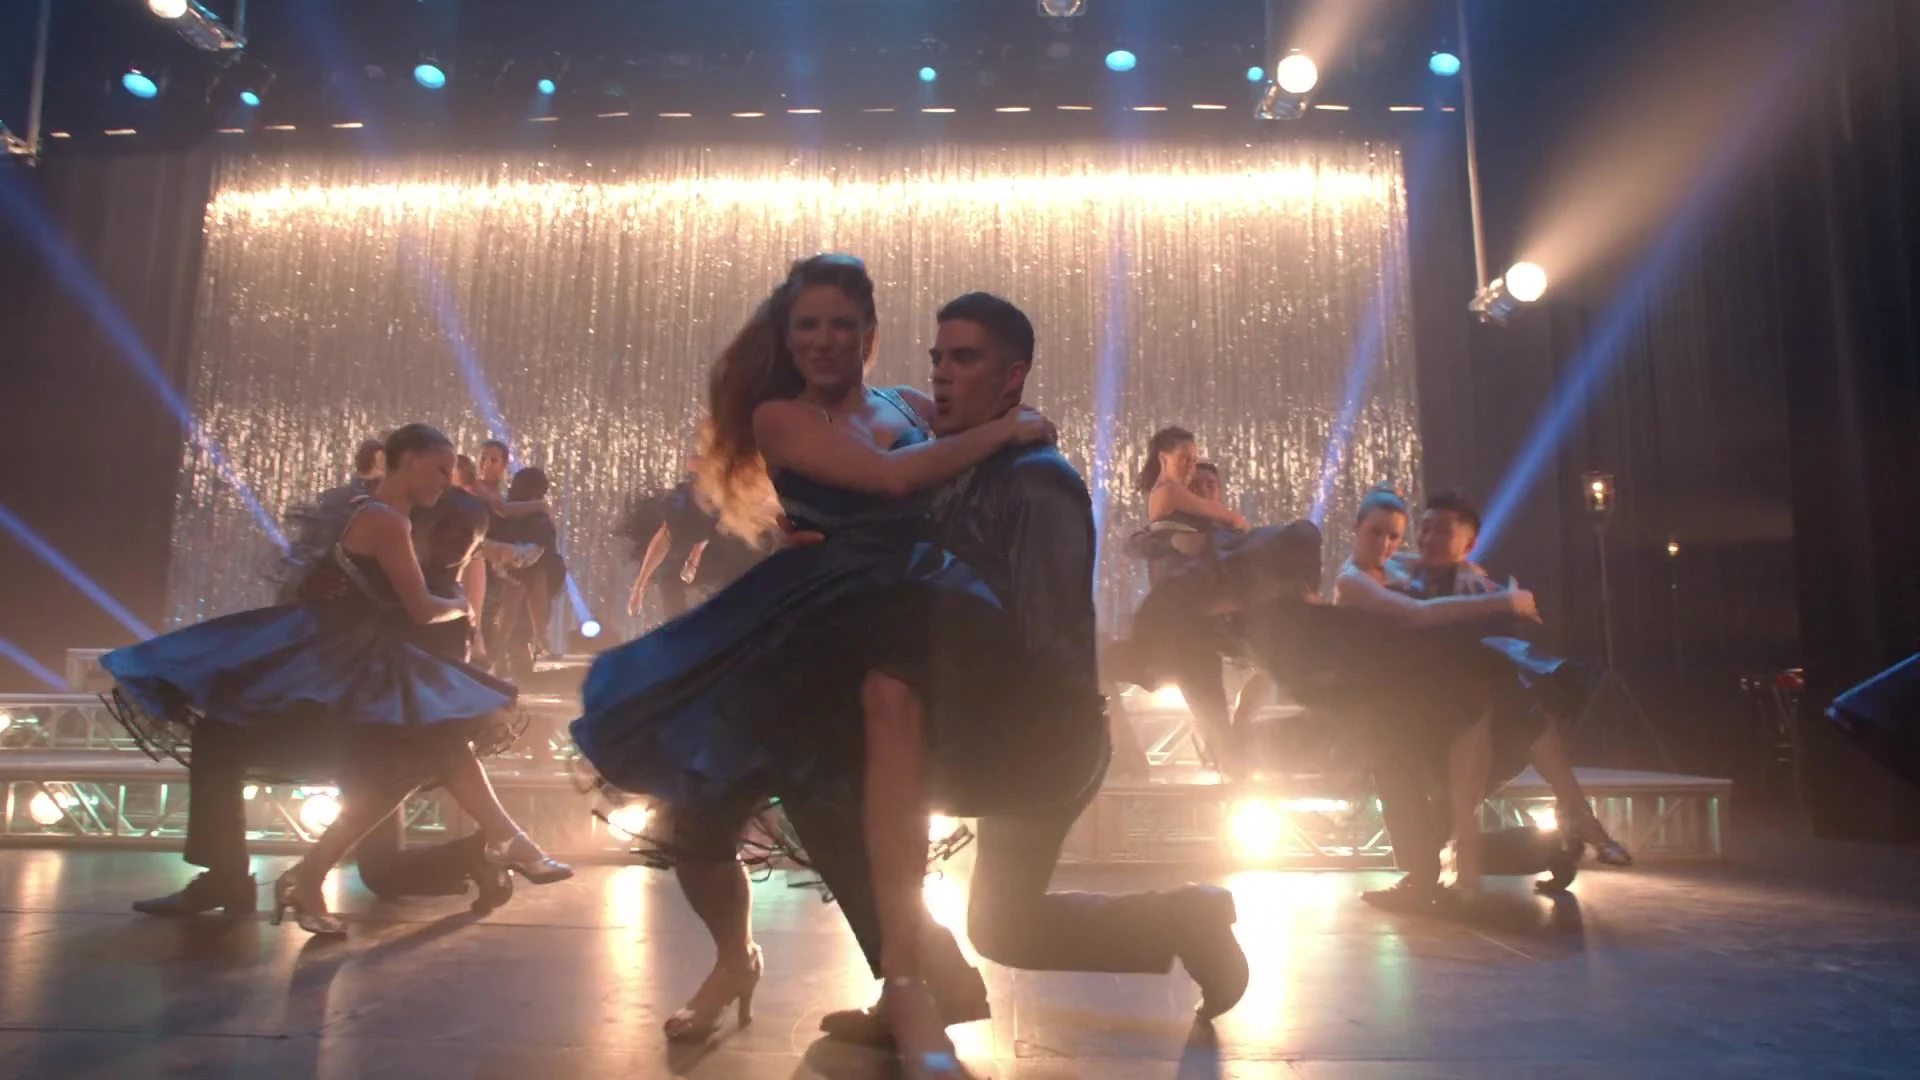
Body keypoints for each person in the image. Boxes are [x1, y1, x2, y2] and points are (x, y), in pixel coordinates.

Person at [569, 256, 1055, 1075]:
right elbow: (892, 479)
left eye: (841, 324)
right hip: (813, 624)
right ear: (788, 337)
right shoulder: (780, 417)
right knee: (704, 812)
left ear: (868, 334)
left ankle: (912, 983)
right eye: (807, 325)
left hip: (904, 613)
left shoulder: (907, 403)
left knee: (852, 809)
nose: (824, 340)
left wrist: (1014, 429)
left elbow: (958, 479)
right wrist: (1007, 429)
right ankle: (738, 961)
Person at [791, 295, 1251, 1063]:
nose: (942, 373)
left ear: (1012, 377)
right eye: (938, 357)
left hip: (1034, 739)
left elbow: (1039, 645)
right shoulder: (949, 468)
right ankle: (1186, 919)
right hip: (990, 726)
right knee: (1006, 929)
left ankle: (922, 983)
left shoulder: (1039, 483)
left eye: (964, 358)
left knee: (822, 779)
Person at [105, 424, 569, 937]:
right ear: (407, 460)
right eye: (439, 468)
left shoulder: (407, 517)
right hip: (338, 670)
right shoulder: (383, 517)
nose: (447, 479)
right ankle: (498, 843)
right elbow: (410, 600)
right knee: (222, 737)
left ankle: (484, 848)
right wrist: (458, 604)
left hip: (357, 676)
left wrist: (471, 578)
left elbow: (417, 586)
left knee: (404, 804)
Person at [1332, 486, 1624, 902]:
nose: (1385, 544)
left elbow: (1445, 565)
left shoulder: (1395, 566)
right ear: (1356, 527)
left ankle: (1559, 829)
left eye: (1394, 535)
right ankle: (1564, 828)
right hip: (1384, 719)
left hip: (1419, 716)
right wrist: (1504, 601)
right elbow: (1418, 615)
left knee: (1498, 690)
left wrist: (1470, 568)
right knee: (1488, 693)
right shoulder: (1352, 580)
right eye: (1375, 532)